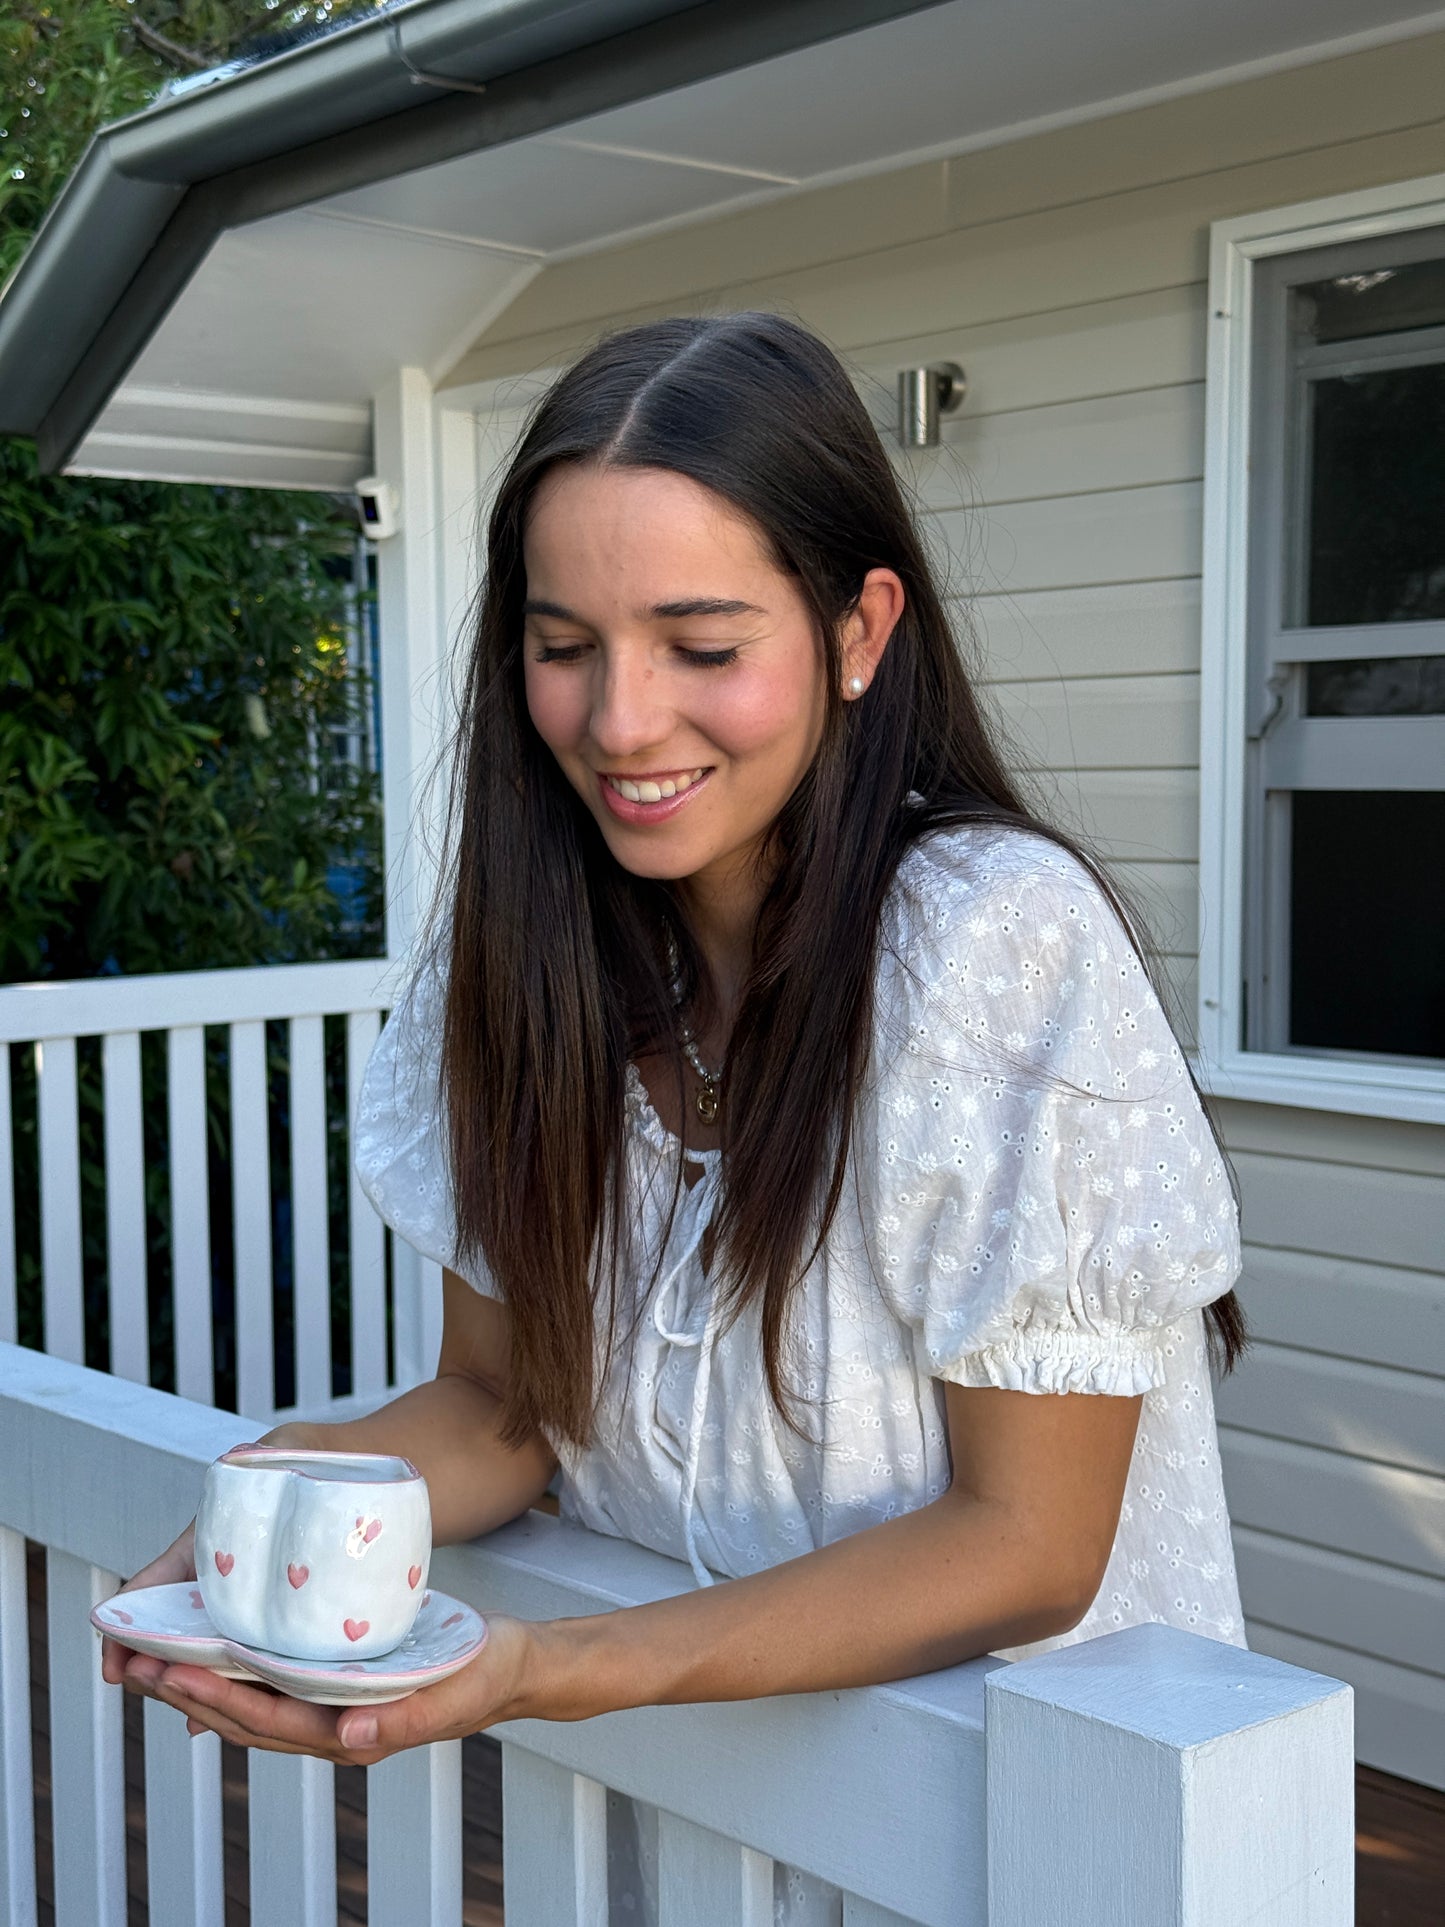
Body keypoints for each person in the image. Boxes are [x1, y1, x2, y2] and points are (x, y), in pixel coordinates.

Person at [103, 311, 1248, 1920]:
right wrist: (267, 1522)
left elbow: (1028, 1542)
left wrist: (544, 1668)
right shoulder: (518, 967)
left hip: (1042, 1831)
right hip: (714, 1816)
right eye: (564, 644)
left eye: (702, 646)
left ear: (859, 632)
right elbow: (504, 1405)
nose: (622, 722)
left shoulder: (987, 941)